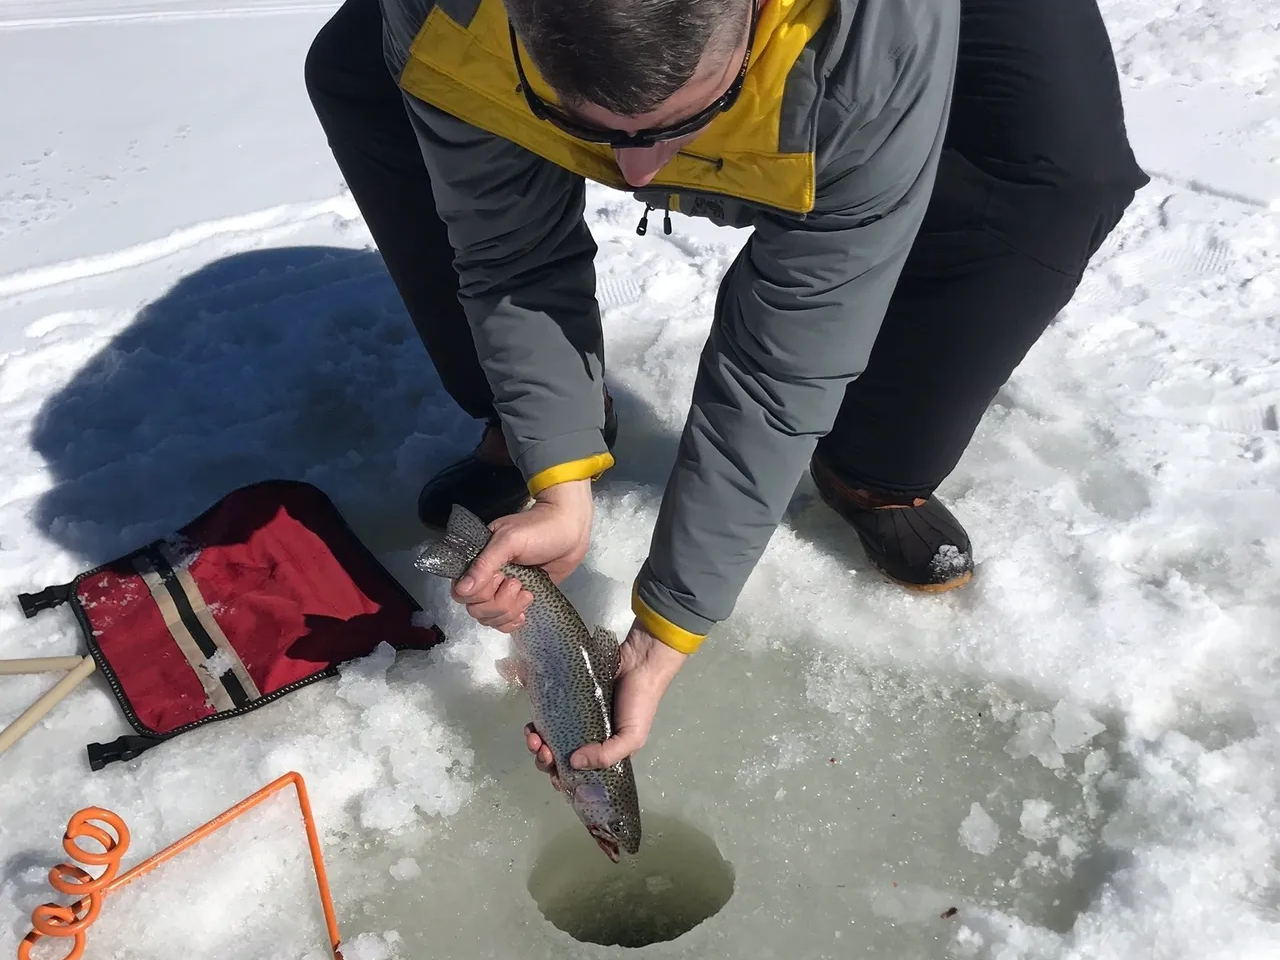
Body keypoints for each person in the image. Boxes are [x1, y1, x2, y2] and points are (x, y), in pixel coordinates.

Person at [305, 0, 1148, 785]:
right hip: (484, 40)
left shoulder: (872, 40)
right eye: (581, 125)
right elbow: (509, 253)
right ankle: (545, 416)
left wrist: (673, 620)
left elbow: (780, 360)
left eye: (684, 122)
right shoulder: (446, 18)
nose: (636, 174)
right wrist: (557, 470)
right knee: (372, 75)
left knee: (1051, 172)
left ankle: (874, 466)